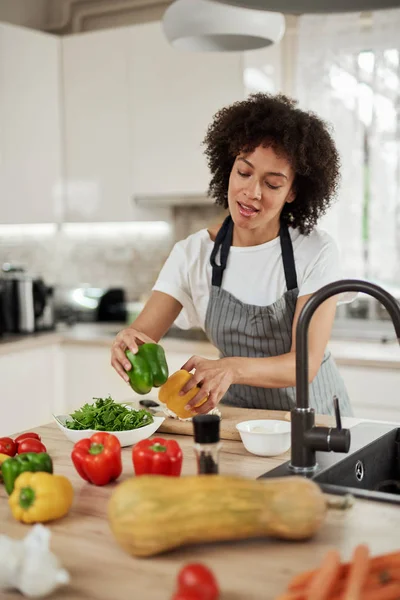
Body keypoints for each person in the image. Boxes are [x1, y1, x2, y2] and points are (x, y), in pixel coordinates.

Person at [111, 93, 352, 417]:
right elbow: (142, 338)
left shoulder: (315, 251)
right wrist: (127, 344)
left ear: (293, 191)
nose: (252, 192)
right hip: (239, 423)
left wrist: (230, 368)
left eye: (272, 183)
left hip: (315, 423)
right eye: (244, 172)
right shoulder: (193, 254)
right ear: (229, 168)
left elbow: (304, 364)